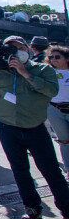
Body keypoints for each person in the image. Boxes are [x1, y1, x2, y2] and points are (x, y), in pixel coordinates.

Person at [0, 36, 69, 219]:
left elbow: (51, 91)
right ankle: (32, 209)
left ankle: (67, 209)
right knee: (20, 170)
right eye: (11, 48)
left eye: (20, 47)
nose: (16, 51)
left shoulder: (43, 69)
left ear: (28, 49)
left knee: (51, 170)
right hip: (7, 127)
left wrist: (24, 73)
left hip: (35, 127)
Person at [44, 44, 69, 175]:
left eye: (57, 56)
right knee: (64, 141)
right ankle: (68, 169)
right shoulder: (48, 72)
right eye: (51, 57)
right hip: (55, 109)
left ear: (67, 58)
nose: (53, 59)